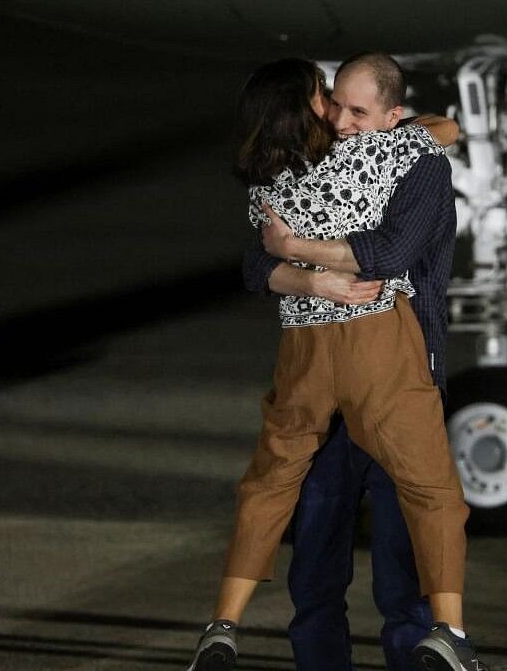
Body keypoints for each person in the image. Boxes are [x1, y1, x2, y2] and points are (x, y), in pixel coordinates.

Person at [186, 57, 485, 671]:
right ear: (307, 113)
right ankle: (448, 636)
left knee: (272, 488)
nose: (339, 116)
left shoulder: (270, 181)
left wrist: (294, 261)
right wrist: (312, 274)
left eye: (353, 108)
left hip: (306, 361)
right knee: (425, 501)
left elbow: (255, 262)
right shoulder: (393, 155)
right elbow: (391, 242)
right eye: (328, 100)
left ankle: (223, 623)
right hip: (383, 356)